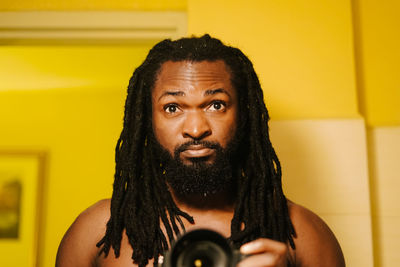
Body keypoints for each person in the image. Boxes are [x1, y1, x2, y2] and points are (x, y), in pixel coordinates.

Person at [56, 35, 345, 267]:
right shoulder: (97, 231)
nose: (195, 129)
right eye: (172, 108)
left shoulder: (302, 232)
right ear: (147, 120)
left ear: (243, 115)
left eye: (216, 105)